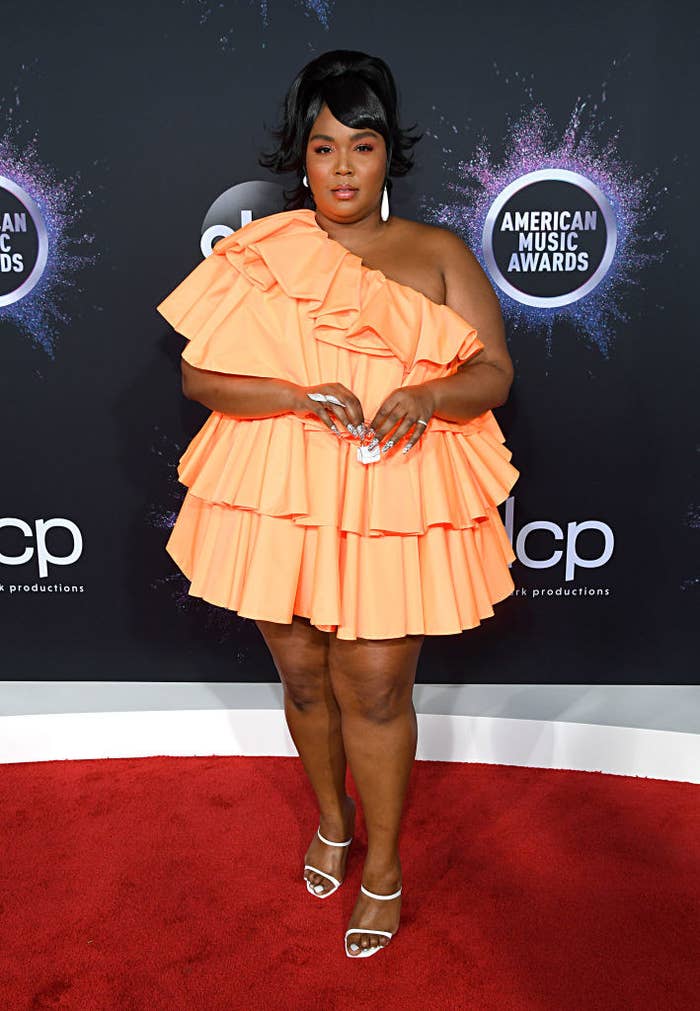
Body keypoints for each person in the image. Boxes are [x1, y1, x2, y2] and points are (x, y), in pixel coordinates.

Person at [156, 50, 519, 959]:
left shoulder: (437, 253)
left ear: (389, 153)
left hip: (393, 492)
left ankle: (385, 867)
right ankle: (331, 819)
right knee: (306, 677)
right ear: (301, 157)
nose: (344, 168)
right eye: (325, 148)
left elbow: (493, 373)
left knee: (376, 687)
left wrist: (430, 397)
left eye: (363, 145)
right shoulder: (260, 251)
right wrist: (290, 393)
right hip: (284, 493)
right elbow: (200, 375)